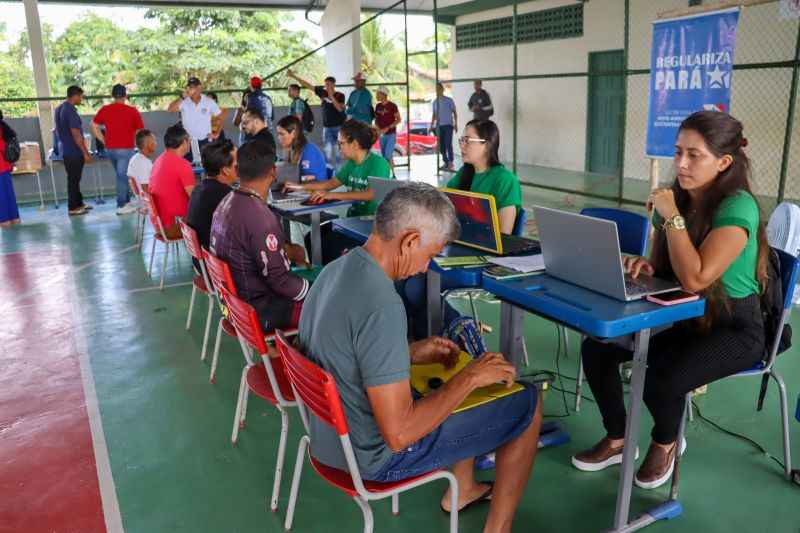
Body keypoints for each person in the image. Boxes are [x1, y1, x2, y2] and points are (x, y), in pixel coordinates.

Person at [298, 182, 542, 531]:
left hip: (329, 441)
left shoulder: (336, 270)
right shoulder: (382, 304)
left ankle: (464, 487)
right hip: (373, 459)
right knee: (527, 402)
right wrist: (470, 376)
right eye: (430, 255)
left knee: (451, 379)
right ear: (410, 241)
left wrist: (408, 353)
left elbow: (342, 355)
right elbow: (400, 434)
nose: (427, 268)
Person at [573, 110, 770, 490]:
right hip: (685, 313)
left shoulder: (737, 206)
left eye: (694, 155)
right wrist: (648, 266)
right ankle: (617, 438)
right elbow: (672, 270)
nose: (681, 163)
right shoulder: (679, 199)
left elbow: (697, 277)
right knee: (597, 349)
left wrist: (672, 217)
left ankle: (665, 442)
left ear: (724, 162)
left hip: (734, 326)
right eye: (678, 152)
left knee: (660, 382)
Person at [398, 119, 522, 337]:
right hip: (455, 251)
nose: (462, 145)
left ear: (487, 144)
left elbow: (503, 236)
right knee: (400, 278)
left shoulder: (505, 180)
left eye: (467, 140)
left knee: (416, 288)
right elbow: (439, 206)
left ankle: (462, 332)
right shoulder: (464, 175)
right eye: (461, 140)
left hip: (483, 260)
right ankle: (430, 338)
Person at [210, 141, 310, 332]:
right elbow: (280, 280)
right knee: (330, 307)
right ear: (273, 171)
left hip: (230, 306)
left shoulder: (225, 203)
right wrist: (317, 290)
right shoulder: (261, 219)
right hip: (255, 312)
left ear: (237, 170)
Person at [283, 119, 392, 264]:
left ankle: (331, 276)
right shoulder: (352, 164)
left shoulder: (378, 164)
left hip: (372, 226)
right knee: (311, 238)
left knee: (328, 244)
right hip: (352, 222)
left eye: (341, 143)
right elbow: (330, 184)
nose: (338, 148)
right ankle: (322, 274)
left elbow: (370, 194)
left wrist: (331, 195)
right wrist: (298, 187)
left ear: (354, 144)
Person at [91, 83, 144, 215]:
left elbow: (94, 125)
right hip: (126, 149)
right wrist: (135, 140)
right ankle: (121, 205)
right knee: (122, 177)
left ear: (113, 96)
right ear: (126, 96)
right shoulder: (132, 111)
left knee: (121, 175)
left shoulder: (105, 110)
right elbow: (140, 129)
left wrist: (102, 139)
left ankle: (126, 201)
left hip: (110, 149)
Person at [187, 138, 237, 271]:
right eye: (237, 162)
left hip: (201, 263)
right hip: (218, 269)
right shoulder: (227, 197)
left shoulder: (198, 188)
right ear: (225, 170)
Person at [286, 69, 346, 169]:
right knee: (327, 153)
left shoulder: (340, 95)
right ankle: (329, 173)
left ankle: (339, 173)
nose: (326, 86)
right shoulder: (322, 93)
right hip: (326, 128)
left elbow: (340, 109)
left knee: (338, 152)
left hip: (338, 127)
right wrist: (293, 76)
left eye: (328, 84)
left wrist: (331, 95)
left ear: (333, 84)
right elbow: (307, 85)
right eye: (325, 84)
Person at [148, 124, 195, 239]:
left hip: (160, 225)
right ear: (184, 142)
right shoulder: (182, 164)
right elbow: (195, 198)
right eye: (189, 139)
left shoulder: (159, 160)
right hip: (174, 226)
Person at [54, 85, 93, 216]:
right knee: (73, 179)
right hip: (73, 151)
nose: (81, 99)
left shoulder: (60, 108)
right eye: (81, 97)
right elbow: (76, 133)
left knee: (75, 178)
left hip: (66, 149)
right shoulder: (70, 111)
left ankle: (79, 203)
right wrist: (85, 153)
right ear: (75, 97)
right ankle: (72, 207)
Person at [166, 77, 222, 163]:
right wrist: (182, 97)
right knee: (188, 165)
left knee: (206, 165)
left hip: (205, 141)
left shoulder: (208, 102)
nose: (193, 90)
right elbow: (170, 110)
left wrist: (217, 133)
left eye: (195, 87)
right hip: (188, 142)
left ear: (200, 88)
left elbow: (221, 116)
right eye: (190, 87)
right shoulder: (184, 102)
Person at [275, 116, 327, 182]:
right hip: (301, 186)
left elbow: (309, 178)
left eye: (281, 134)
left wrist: (285, 178)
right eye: (278, 134)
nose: (279, 138)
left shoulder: (308, 150)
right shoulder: (289, 150)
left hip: (316, 186)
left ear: (293, 134)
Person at [429, 83, 458, 170]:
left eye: (439, 89)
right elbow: (434, 115)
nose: (438, 91)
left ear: (442, 89)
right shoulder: (434, 102)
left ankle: (451, 162)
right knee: (441, 146)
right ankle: (445, 162)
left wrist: (456, 124)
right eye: (437, 89)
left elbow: (454, 112)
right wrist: (431, 126)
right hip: (439, 126)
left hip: (448, 125)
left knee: (448, 143)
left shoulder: (449, 100)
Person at [373, 85, 401, 175]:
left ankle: (392, 175)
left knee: (388, 155)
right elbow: (376, 119)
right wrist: (378, 128)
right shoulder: (377, 106)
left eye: (378, 94)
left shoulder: (392, 106)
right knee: (385, 156)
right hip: (381, 135)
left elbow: (399, 120)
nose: (376, 96)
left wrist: (387, 128)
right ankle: (387, 174)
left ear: (383, 94)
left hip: (391, 134)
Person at [0, 109, 20, 226]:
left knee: (1, 195)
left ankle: (4, 220)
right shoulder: (4, 127)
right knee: (9, 193)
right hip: (6, 166)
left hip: (1, 167)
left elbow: (2, 146)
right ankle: (14, 218)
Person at [127, 129, 156, 194]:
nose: (155, 143)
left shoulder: (138, 158)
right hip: (148, 198)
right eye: (154, 141)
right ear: (147, 144)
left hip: (144, 198)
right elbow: (145, 188)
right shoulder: (143, 162)